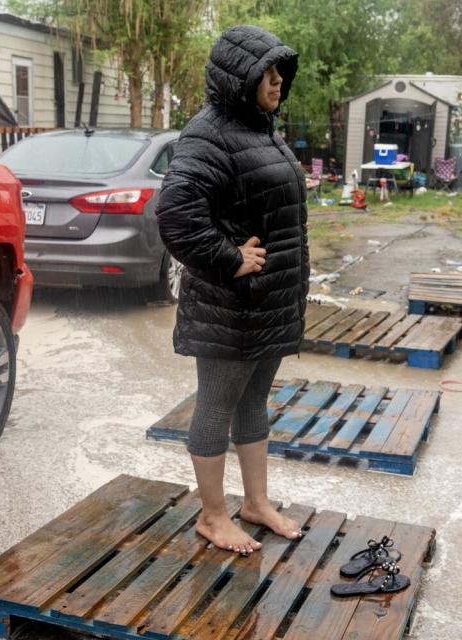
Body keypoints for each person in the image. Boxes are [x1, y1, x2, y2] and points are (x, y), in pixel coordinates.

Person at [155, 25, 309, 555]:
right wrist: (229, 259)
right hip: (230, 305)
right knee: (217, 406)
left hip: (269, 302)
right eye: (266, 73)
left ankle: (256, 503)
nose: (276, 82)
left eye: (279, 72)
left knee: (254, 401)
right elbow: (175, 215)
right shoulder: (209, 134)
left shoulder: (261, 129)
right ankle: (213, 516)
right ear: (238, 77)